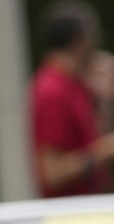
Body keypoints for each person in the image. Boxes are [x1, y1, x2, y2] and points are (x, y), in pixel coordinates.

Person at [30, 0, 114, 198]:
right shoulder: (52, 90)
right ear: (79, 41)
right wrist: (105, 152)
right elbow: (52, 173)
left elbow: (90, 140)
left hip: (84, 211)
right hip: (69, 219)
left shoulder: (74, 85)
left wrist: (104, 100)